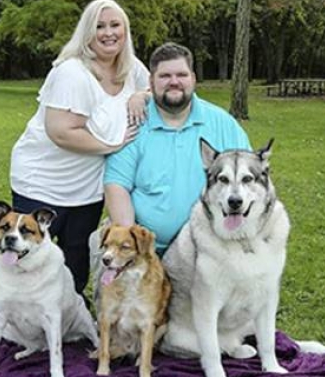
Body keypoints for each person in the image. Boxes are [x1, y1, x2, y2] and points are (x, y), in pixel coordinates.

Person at [0, 0, 150, 345]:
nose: (108, 33)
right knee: (22, 252)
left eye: (115, 25)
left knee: (75, 259)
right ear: (87, 32)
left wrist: (141, 95)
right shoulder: (72, 72)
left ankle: (64, 322)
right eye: (99, 26)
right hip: (41, 179)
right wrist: (111, 146)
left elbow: (157, 90)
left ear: (126, 30)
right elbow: (61, 131)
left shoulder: (135, 70)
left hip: (86, 185)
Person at [103, 42, 251, 255]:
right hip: (149, 249)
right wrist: (135, 247)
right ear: (151, 81)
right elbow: (116, 186)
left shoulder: (223, 124)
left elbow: (250, 181)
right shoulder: (135, 123)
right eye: (164, 76)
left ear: (193, 79)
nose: (174, 82)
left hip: (210, 250)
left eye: (181, 74)